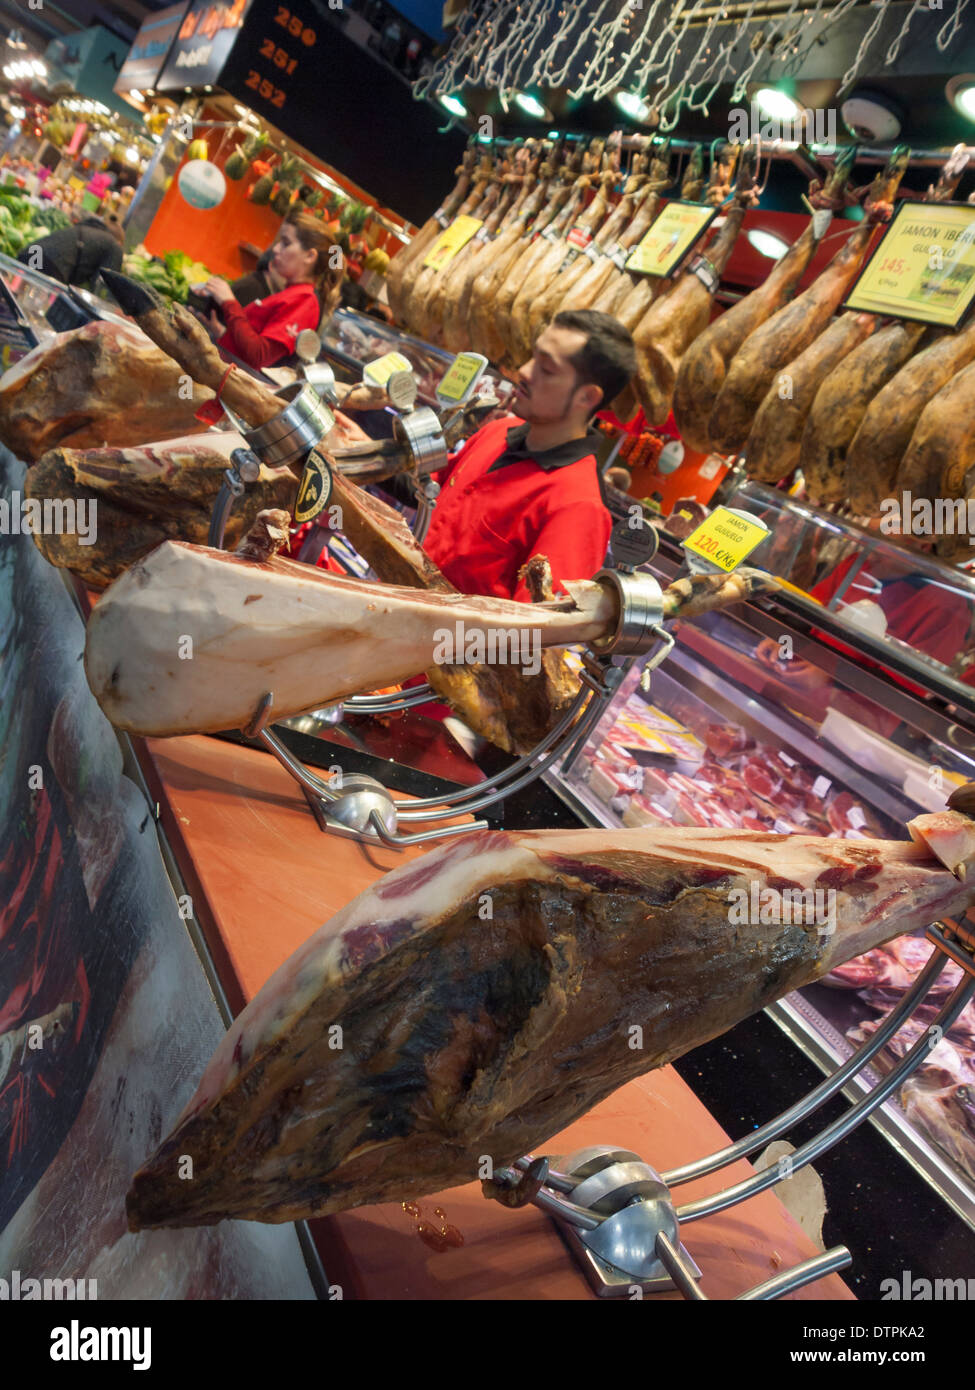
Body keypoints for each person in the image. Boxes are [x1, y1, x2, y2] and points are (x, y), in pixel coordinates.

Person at [421, 309, 636, 601]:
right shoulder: (499, 430)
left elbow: (534, 639)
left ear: (586, 397)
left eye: (546, 369)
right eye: (533, 356)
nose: (523, 370)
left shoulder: (579, 507)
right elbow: (429, 492)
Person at [200, 213, 344, 370]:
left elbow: (259, 355)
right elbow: (249, 346)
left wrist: (228, 302)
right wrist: (223, 333)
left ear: (309, 256)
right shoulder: (292, 293)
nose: (275, 249)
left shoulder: (306, 301)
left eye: (286, 243)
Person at [17, 213, 124, 289]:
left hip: (32, 251)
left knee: (12, 300)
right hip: (51, 265)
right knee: (29, 309)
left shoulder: (86, 229)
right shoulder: (114, 246)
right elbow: (102, 286)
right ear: (119, 242)